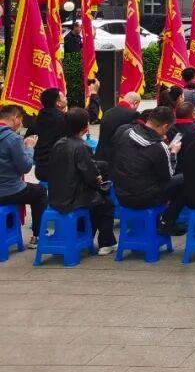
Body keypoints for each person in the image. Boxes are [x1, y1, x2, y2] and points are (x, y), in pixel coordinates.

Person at [47, 108, 116, 254]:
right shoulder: (82, 147)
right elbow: (91, 176)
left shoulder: (58, 143)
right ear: (85, 127)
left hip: (56, 195)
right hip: (74, 198)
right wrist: (99, 183)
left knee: (99, 193)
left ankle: (84, 235)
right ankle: (106, 242)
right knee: (105, 203)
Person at [112, 106, 186, 234]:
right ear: (165, 126)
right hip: (143, 198)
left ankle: (158, 221)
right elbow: (168, 176)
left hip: (121, 194)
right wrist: (173, 153)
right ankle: (167, 222)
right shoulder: (158, 146)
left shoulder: (126, 133)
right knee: (185, 179)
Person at [0, 105, 45, 249]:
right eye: (21, 120)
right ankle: (37, 236)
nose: (21, 124)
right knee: (40, 192)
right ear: (15, 118)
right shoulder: (13, 138)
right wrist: (29, 147)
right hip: (9, 190)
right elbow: (25, 166)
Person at [28, 87, 66, 183]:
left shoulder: (37, 120)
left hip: (40, 169)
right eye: (64, 97)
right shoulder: (64, 120)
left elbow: (28, 140)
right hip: (60, 170)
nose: (66, 98)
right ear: (58, 103)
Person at [96, 91, 142, 165]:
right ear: (135, 103)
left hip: (101, 154)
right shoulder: (133, 114)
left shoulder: (107, 112)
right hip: (117, 157)